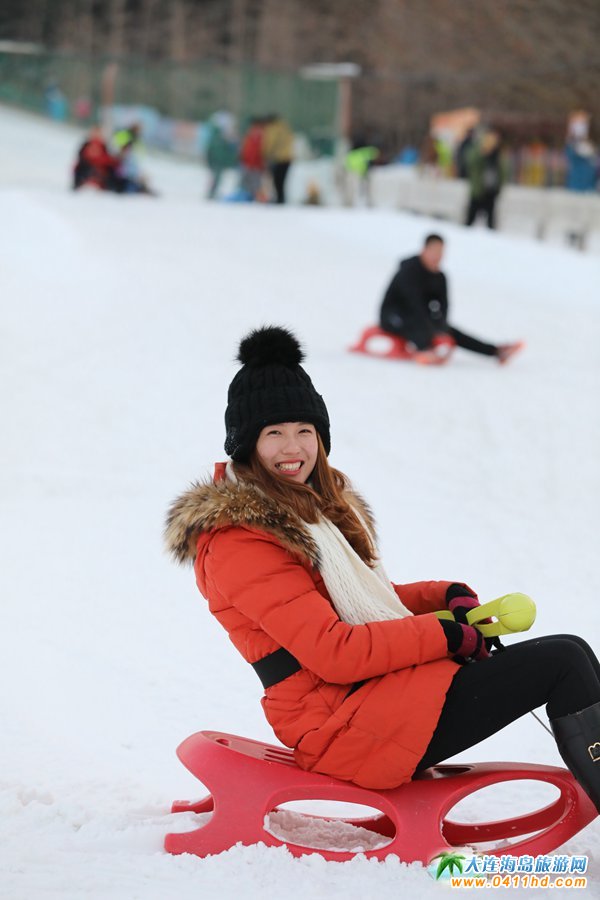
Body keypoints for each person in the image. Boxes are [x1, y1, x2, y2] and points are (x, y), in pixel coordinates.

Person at [165, 325, 600, 810]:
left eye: (304, 431)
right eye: (274, 433)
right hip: (343, 726)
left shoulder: (306, 512)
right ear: (246, 444)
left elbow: (364, 601)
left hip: (376, 699)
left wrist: (443, 596)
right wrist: (446, 633)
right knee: (562, 662)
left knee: (572, 651)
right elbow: (334, 651)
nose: (293, 448)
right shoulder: (241, 541)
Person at [378, 234, 523, 364]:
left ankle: (495, 351)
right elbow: (413, 303)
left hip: (421, 317)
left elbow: (443, 306)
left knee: (449, 330)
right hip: (394, 316)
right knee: (415, 324)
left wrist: (441, 325)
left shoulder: (440, 277)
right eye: (434, 251)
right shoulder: (409, 270)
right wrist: (430, 330)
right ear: (424, 250)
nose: (437, 256)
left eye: (440, 252)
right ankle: (425, 349)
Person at [465, 129, 507, 229]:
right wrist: (482, 153)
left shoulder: (498, 155)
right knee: (471, 216)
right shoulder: (477, 151)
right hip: (478, 189)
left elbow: (503, 171)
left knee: (490, 217)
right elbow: (470, 163)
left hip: (491, 190)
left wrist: (499, 186)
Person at [72, 126, 119, 191]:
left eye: (98, 133)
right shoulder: (86, 145)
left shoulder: (103, 145)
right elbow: (83, 157)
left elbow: (107, 158)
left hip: (101, 169)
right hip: (87, 168)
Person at [262, 114, 294, 203]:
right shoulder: (285, 128)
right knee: (282, 180)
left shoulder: (272, 129)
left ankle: (279, 199)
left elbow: (270, 143)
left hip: (278, 158)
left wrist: (265, 154)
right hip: (287, 158)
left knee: (277, 180)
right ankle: (281, 198)